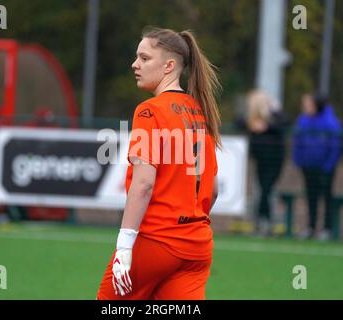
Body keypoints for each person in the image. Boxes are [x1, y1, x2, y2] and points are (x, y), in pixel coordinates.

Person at [97, 27, 221, 300]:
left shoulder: (150, 110)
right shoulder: (201, 112)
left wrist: (125, 246)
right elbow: (212, 190)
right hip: (197, 246)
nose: (135, 64)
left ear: (169, 66)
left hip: (157, 241)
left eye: (144, 58)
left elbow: (144, 183)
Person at [293, 94, 342, 241]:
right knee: (311, 197)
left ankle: (327, 229)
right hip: (308, 167)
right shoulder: (303, 120)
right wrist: (299, 161)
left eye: (309, 104)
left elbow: (335, 146)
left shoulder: (330, 122)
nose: (306, 107)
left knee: (327, 197)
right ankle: (311, 227)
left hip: (325, 168)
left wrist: (328, 165)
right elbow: (297, 141)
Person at [240, 89, 287, 236]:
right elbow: (239, 122)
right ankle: (263, 220)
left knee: (266, 189)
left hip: (274, 160)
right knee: (263, 190)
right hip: (260, 160)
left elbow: (284, 122)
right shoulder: (251, 118)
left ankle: (264, 220)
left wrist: (266, 126)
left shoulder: (275, 115)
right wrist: (251, 124)